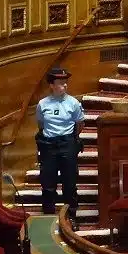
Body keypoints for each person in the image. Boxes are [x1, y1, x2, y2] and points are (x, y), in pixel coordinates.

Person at [36, 67, 85, 224]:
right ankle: (48, 218)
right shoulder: (42, 104)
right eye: (60, 83)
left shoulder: (73, 103)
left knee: (69, 183)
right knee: (48, 184)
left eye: (65, 82)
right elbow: (41, 124)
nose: (64, 85)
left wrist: (71, 139)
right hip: (49, 145)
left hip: (67, 144)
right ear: (51, 85)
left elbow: (80, 124)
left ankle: (71, 218)